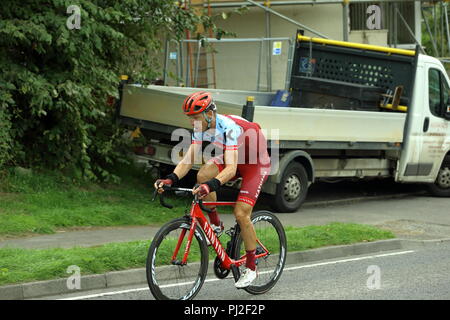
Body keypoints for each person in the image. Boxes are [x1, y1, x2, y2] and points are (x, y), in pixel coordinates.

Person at [154, 91, 271, 288]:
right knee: (202, 176)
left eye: (196, 117)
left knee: (241, 213)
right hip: (234, 157)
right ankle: (216, 225)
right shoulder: (201, 126)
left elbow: (232, 169)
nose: (192, 122)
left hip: (255, 163)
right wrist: (170, 179)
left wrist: (212, 185)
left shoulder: (229, 128)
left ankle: (251, 267)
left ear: (210, 114)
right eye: (190, 119)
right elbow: (188, 159)